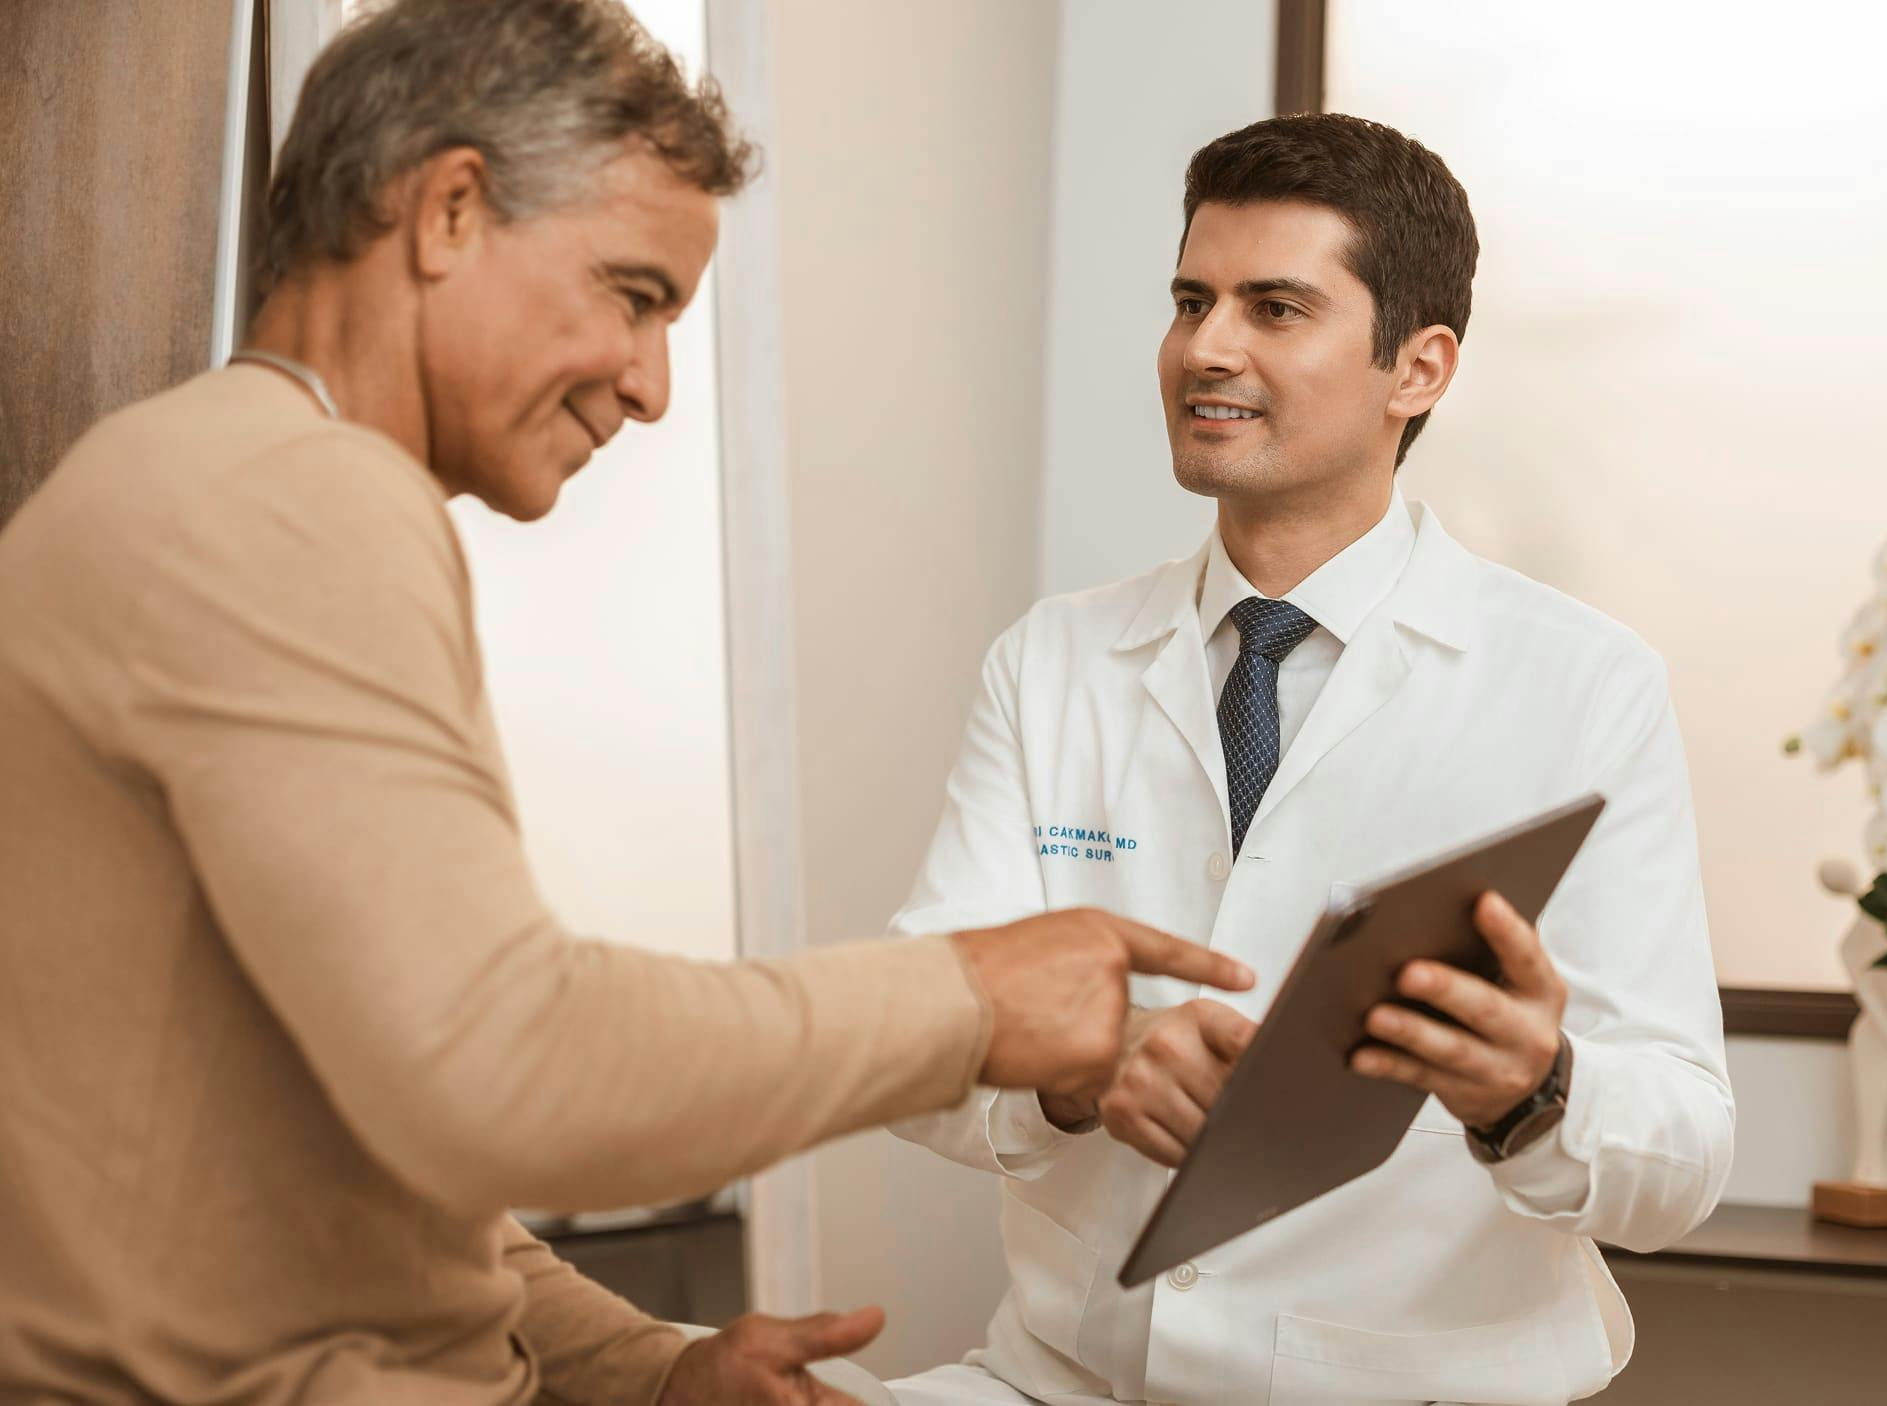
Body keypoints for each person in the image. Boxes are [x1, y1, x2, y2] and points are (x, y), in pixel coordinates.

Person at [0, 3, 1253, 1403]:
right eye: (635, 295)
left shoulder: (218, 479)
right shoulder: (293, 501)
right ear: (452, 213)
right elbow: (508, 1060)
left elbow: (384, 1164)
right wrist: (967, 998)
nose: (654, 387)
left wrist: (655, 1372)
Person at [886, 114, 1735, 1406]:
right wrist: (1078, 1060)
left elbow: (1683, 1156)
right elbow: (908, 1046)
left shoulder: (1581, 683)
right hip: (1058, 1379)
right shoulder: (1052, 660)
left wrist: (1534, 1091)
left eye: (1274, 307)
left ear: (1420, 368)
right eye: (1190, 299)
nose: (1205, 348)